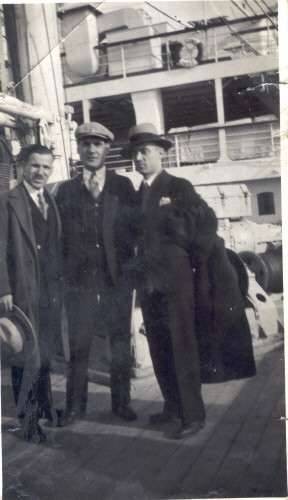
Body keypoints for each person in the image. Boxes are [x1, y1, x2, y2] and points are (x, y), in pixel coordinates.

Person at [122, 123, 256, 440]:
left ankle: (193, 415)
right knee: (159, 344)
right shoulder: (139, 191)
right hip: (149, 282)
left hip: (176, 281)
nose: (139, 158)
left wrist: (186, 256)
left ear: (160, 154)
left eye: (145, 152)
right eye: (135, 153)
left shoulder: (178, 186)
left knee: (182, 346)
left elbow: (204, 225)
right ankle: (172, 406)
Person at [56, 122, 137, 423]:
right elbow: (58, 238)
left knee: (119, 343)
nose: (92, 149)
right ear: (78, 149)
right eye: (86, 144)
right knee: (79, 345)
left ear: (108, 148)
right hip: (80, 283)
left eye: (98, 144)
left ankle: (121, 403)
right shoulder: (66, 190)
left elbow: (136, 231)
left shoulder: (123, 187)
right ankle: (75, 406)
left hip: (117, 280)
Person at [0, 144, 63, 431]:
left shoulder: (50, 199)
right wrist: (4, 289)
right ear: (23, 166)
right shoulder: (7, 200)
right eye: (35, 166)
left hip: (49, 289)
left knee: (46, 351)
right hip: (23, 288)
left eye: (46, 167)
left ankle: (46, 408)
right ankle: (27, 419)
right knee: (24, 352)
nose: (41, 172)